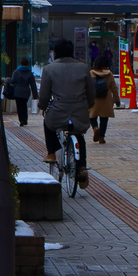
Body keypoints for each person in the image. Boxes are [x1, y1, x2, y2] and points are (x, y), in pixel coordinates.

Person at [37, 38, 94, 186]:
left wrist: (43, 107)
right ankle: (81, 166)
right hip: (79, 111)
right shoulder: (83, 68)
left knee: (47, 123)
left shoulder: (49, 69)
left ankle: (51, 153)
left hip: (58, 111)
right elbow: (91, 92)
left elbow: (43, 95)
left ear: (55, 53)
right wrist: (89, 105)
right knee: (78, 135)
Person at [89, 60, 117, 143]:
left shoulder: (91, 73)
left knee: (91, 116)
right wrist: (117, 99)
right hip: (106, 99)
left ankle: (95, 128)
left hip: (94, 98)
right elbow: (114, 88)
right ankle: (101, 137)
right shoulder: (109, 74)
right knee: (104, 119)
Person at [4, 58, 37, 127]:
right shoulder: (30, 73)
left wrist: (8, 79)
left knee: (19, 106)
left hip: (17, 92)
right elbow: (33, 85)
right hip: (26, 92)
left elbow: (12, 81)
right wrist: (35, 95)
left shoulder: (16, 72)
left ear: (20, 63)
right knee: (24, 105)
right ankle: (25, 119)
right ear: (27, 64)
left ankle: (21, 120)